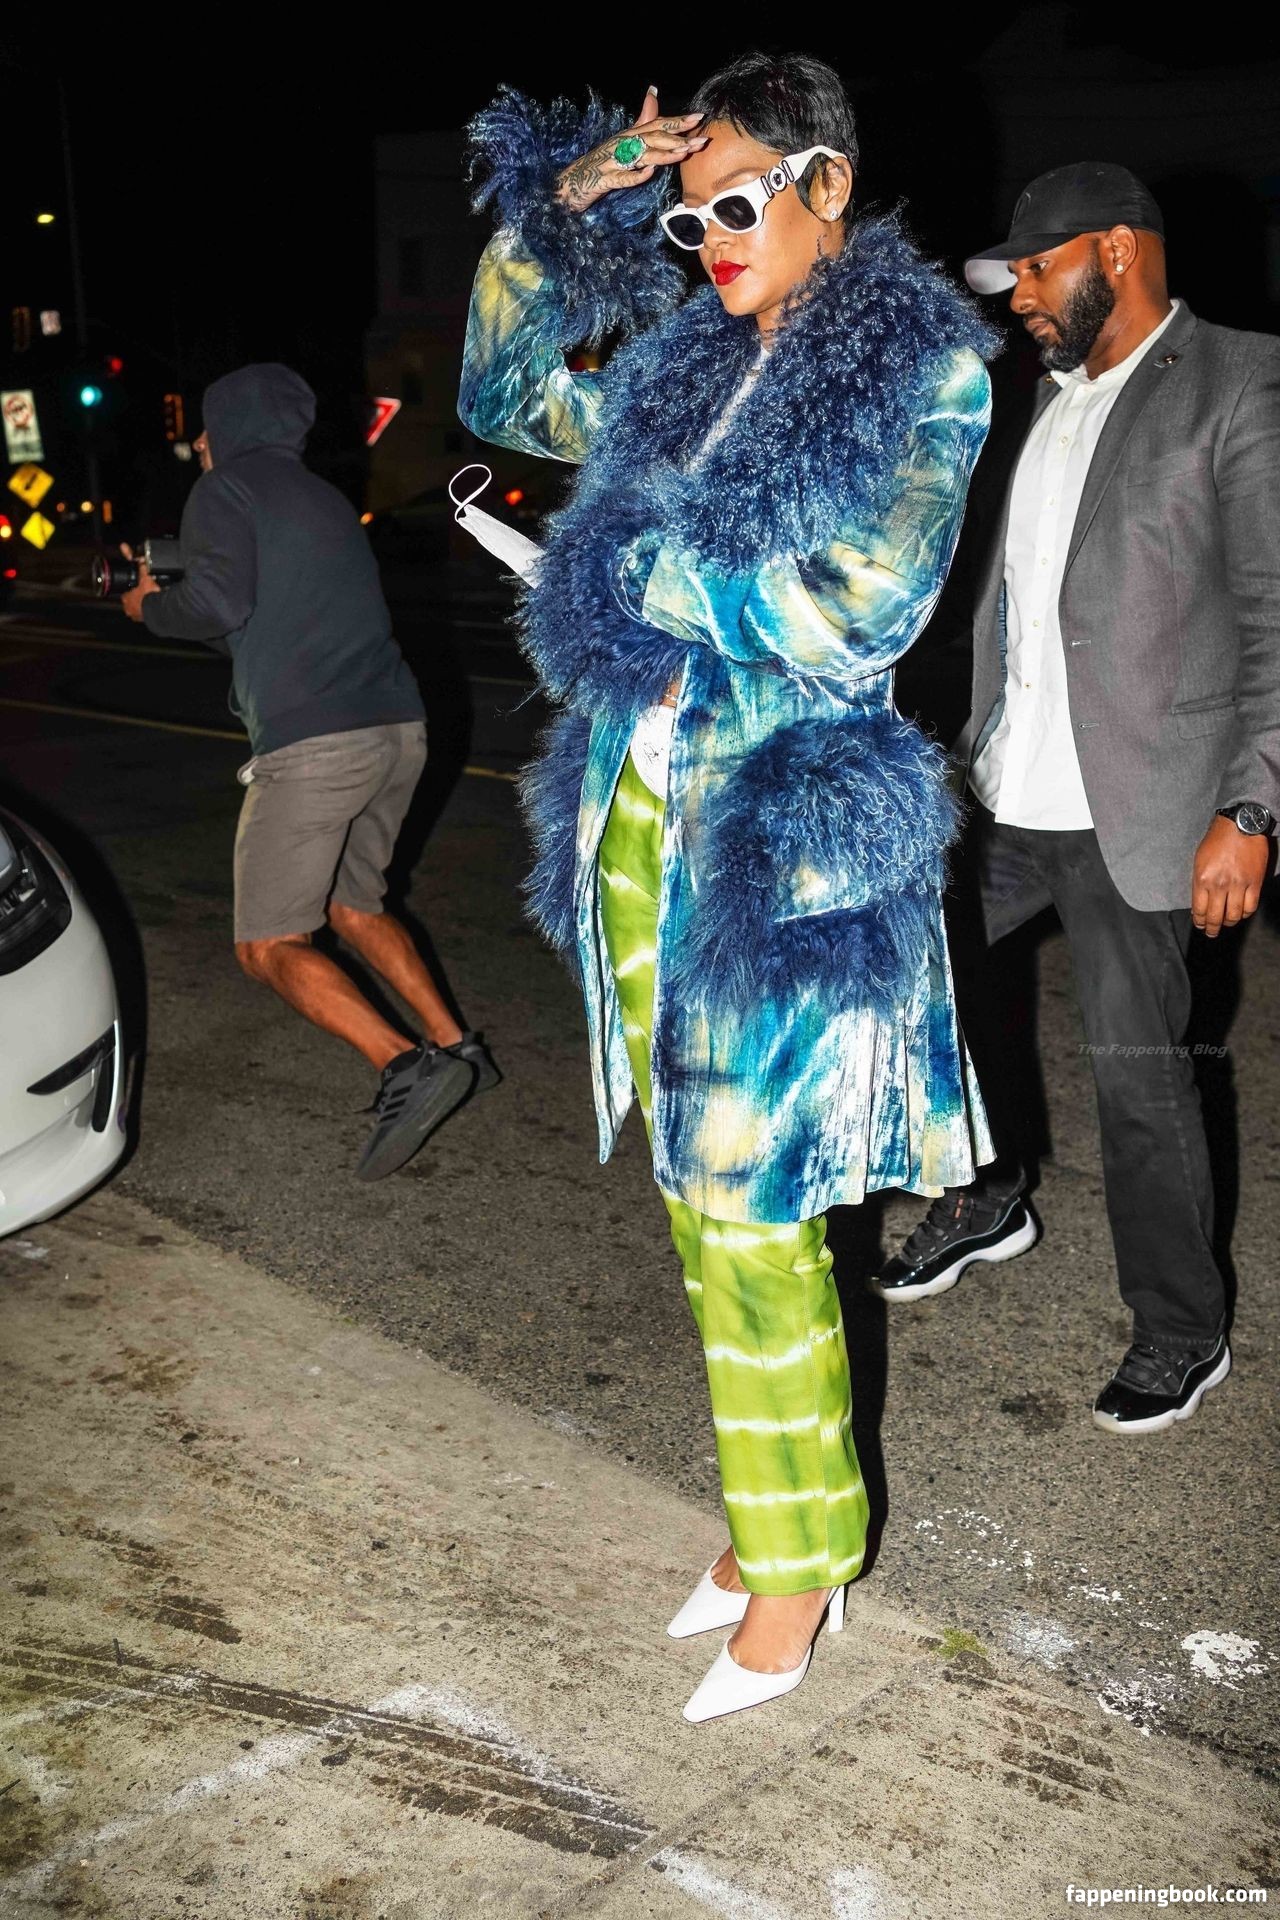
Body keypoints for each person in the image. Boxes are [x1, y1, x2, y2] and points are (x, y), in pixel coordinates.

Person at [460, 53, 995, 1722]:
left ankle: (803, 1562)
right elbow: (502, 393)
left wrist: (632, 566)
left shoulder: (921, 367)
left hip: (781, 840)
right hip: (639, 822)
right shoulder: (688, 365)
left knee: (760, 1209)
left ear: (827, 185)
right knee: (698, 1200)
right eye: (690, 219)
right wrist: (572, 200)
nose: (711, 240)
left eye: (739, 202)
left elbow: (863, 605)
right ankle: (775, 1515)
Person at [876, 164, 1280, 1433]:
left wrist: (1251, 809)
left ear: (1115, 249)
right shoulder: (1031, 400)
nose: (1018, 299)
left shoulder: (1237, 381)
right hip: (1001, 786)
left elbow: (1274, 615)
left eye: (1035, 270)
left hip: (1139, 807)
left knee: (1137, 1080)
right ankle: (989, 1186)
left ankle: (1179, 1329)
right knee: (920, 995)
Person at [120, 363, 497, 1179]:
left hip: (317, 747)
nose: (197, 443)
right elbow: (248, 624)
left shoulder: (224, 490)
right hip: (396, 730)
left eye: (205, 428)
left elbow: (214, 607)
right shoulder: (321, 498)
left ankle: (407, 1065)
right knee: (355, 905)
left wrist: (149, 605)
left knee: (267, 944)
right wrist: (182, 593)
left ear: (230, 427)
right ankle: (457, 1044)